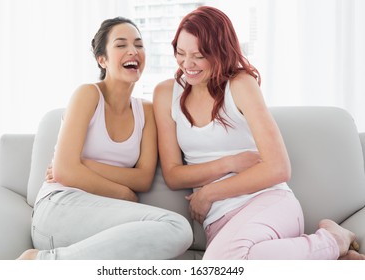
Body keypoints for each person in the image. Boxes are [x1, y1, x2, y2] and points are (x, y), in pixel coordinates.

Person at [153, 6, 365, 260]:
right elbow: (174, 175)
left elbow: (278, 169)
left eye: (198, 56)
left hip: (268, 203)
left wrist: (209, 192)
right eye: (180, 53)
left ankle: (333, 239)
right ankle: (330, 251)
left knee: (219, 264)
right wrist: (230, 163)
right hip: (220, 222)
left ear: (220, 52)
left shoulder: (241, 85)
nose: (187, 65)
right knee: (247, 259)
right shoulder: (166, 93)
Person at [18, 17, 192, 260]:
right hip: (60, 206)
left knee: (179, 230)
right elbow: (65, 174)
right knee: (176, 226)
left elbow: (142, 179)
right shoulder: (88, 95)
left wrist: (85, 165)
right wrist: (123, 194)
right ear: (102, 59)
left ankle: (46, 262)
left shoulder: (147, 111)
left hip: (104, 219)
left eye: (139, 45)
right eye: (121, 45)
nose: (133, 50)